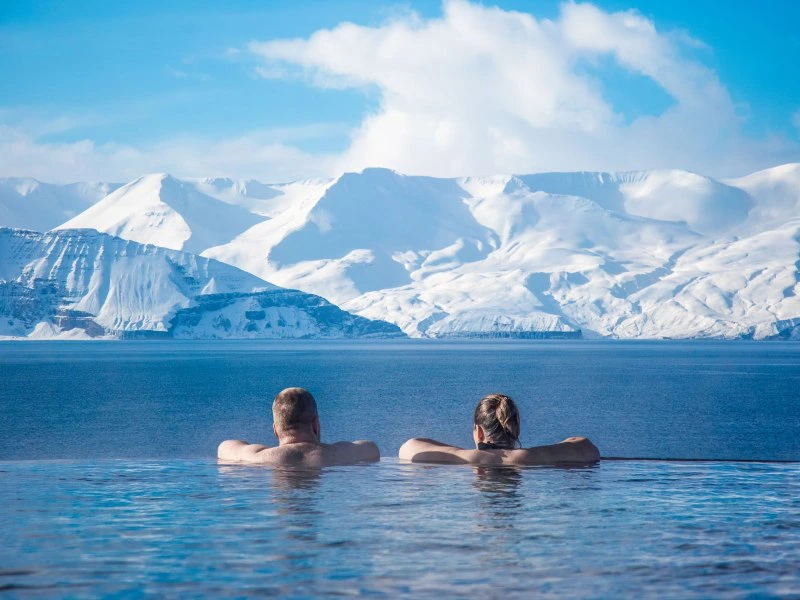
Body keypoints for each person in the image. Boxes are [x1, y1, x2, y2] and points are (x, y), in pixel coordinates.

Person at [398, 393, 599, 466]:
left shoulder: (464, 458)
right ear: (515, 430)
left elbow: (409, 446)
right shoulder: (531, 457)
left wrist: (462, 451)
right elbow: (585, 446)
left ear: (478, 431)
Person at [218, 387, 380, 467]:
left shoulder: (259, 457)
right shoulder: (340, 453)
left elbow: (224, 447)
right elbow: (372, 448)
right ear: (316, 424)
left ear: (275, 430)